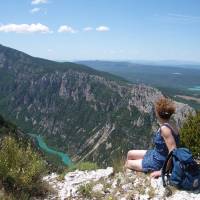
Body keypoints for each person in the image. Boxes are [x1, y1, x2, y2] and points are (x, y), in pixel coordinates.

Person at [125, 97, 179, 178]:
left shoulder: (165, 129)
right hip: (156, 153)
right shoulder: (172, 123)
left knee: (128, 163)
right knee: (130, 153)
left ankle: (127, 178)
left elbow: (173, 150)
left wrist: (162, 171)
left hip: (159, 162)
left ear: (158, 113)